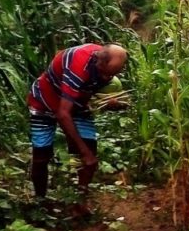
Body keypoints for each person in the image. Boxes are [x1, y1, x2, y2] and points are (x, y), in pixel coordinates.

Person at [27, 43, 128, 202]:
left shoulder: (107, 64)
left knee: (90, 152)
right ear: (98, 62)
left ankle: (79, 203)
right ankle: (40, 202)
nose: (106, 79)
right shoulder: (78, 65)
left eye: (111, 75)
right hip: (44, 101)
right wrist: (84, 153)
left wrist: (111, 104)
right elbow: (63, 114)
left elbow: (90, 93)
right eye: (104, 74)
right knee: (41, 155)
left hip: (75, 104)